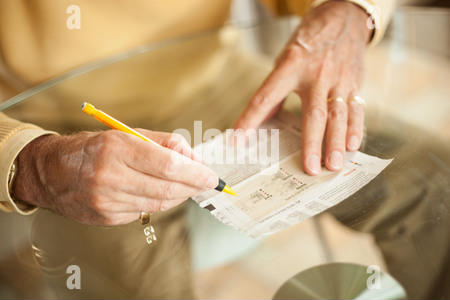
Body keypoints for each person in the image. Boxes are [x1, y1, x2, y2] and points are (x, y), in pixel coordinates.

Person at [0, 0, 395, 225]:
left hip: (216, 76)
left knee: (422, 183)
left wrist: (351, 9)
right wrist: (35, 166)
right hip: (51, 120)